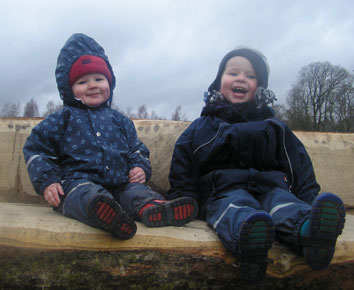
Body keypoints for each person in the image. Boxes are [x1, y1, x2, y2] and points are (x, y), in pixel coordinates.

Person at [167, 46, 346, 281]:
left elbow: (298, 162)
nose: (241, 78)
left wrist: (309, 198)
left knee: (285, 205)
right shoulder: (203, 126)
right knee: (235, 209)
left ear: (259, 88)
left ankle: (311, 233)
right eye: (233, 73)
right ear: (218, 82)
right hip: (223, 192)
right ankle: (249, 239)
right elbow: (184, 163)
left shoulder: (274, 126)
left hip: (272, 187)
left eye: (251, 76)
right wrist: (187, 200)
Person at [23, 33, 198, 240]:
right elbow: (37, 148)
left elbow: (136, 149)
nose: (92, 85)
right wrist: (48, 181)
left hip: (121, 183)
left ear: (110, 83)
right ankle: (102, 212)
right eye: (82, 81)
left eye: (99, 79)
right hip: (77, 182)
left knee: (136, 193)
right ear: (69, 90)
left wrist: (139, 167)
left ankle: (152, 208)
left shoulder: (121, 121)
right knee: (84, 196)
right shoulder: (63, 118)